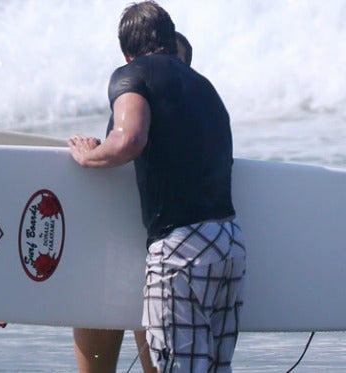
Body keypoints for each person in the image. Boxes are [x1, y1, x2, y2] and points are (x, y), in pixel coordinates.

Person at [69, 1, 246, 372]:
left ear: (126, 50)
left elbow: (129, 140)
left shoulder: (132, 74)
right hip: (228, 242)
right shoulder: (204, 86)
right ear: (169, 38)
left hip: (181, 250)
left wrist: (90, 157)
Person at [71, 30, 193, 373]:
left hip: (160, 268)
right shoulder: (126, 117)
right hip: (106, 265)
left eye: (171, 62)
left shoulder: (200, 137)